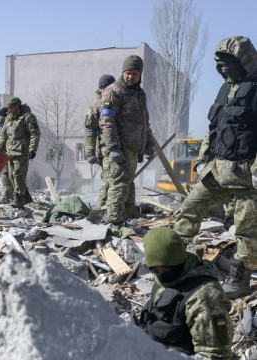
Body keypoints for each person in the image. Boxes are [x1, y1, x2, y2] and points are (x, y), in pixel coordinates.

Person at [174, 36, 257, 299]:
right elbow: (214, 129)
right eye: (219, 64)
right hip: (218, 169)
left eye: (227, 63)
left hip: (248, 174)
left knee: (246, 228)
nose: (222, 68)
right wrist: (202, 159)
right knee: (189, 207)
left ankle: (240, 277)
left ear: (243, 61)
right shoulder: (225, 90)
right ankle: (175, 261)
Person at [139, 228, 233, 359]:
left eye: (168, 269)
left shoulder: (204, 297)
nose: (161, 273)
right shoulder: (164, 280)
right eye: (156, 269)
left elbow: (215, 354)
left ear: (179, 262)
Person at [99, 55, 155, 224]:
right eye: (128, 73)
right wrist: (113, 147)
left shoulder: (139, 94)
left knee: (128, 183)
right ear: (123, 72)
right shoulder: (114, 91)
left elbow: (144, 122)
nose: (131, 77)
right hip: (120, 147)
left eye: (135, 74)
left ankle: (129, 213)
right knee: (119, 184)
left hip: (134, 147)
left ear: (140, 76)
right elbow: (107, 121)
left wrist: (149, 143)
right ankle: (114, 219)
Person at [0, 97, 40, 209]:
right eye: (9, 108)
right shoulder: (8, 118)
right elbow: (4, 133)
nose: (9, 110)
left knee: (18, 175)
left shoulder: (27, 117)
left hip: (22, 151)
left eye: (11, 107)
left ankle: (19, 199)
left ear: (17, 106)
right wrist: (0, 147)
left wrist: (33, 149)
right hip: (10, 151)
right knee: (11, 175)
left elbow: (35, 133)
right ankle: (26, 197)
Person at [84, 74, 115, 210]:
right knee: (108, 179)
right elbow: (90, 131)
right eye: (106, 88)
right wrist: (90, 152)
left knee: (120, 181)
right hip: (105, 150)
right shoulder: (96, 106)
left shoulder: (120, 102)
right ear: (101, 88)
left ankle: (119, 208)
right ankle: (101, 209)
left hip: (121, 148)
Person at [0, 107, 13, 204]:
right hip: (2, 152)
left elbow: (4, 138)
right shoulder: (3, 124)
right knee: (5, 173)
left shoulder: (7, 125)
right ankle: (9, 195)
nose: (0, 118)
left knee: (5, 174)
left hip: (6, 152)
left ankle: (6, 195)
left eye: (1, 116)